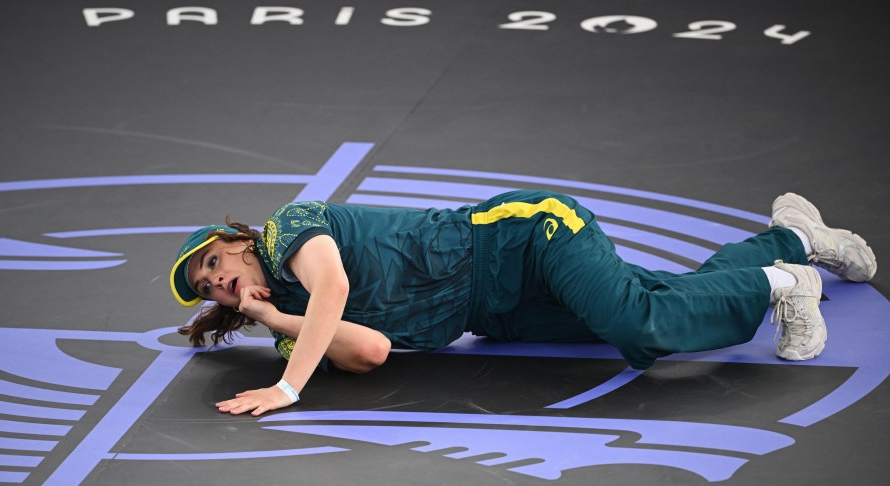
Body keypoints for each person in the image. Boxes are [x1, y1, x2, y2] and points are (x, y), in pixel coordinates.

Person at [169, 190, 877, 417]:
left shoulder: (289, 225)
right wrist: (274, 323)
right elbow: (372, 351)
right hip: (493, 314)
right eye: (205, 288)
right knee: (644, 331)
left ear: (235, 241)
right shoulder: (292, 324)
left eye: (211, 263)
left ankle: (786, 285)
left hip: (522, 239)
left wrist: (290, 387)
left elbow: (337, 287)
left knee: (636, 316)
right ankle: (791, 238)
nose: (214, 281)